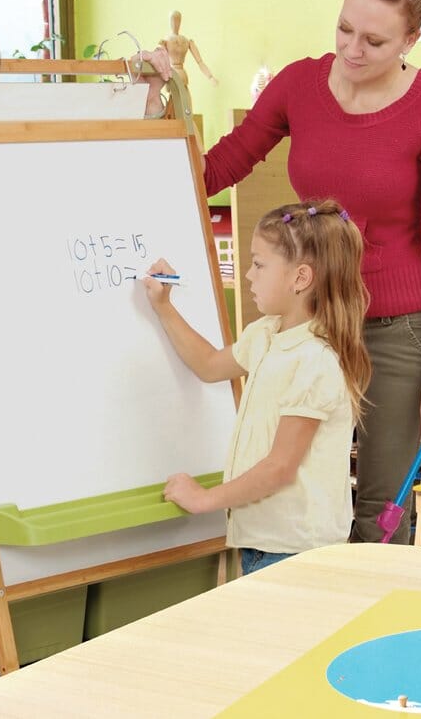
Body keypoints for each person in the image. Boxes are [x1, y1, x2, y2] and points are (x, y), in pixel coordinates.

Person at [146, 0, 421, 544]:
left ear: (412, 39)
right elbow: (215, 168)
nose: (352, 49)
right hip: (311, 326)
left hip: (395, 332)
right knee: (294, 493)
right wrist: (157, 103)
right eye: (345, 28)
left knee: (379, 512)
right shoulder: (299, 84)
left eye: (374, 40)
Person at [143, 199, 371, 575]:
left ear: (300, 278)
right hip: (264, 540)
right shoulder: (266, 334)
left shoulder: (314, 359)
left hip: (296, 549)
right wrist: (164, 307)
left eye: (259, 264)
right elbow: (209, 365)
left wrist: (205, 499)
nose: (248, 275)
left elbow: (280, 467)